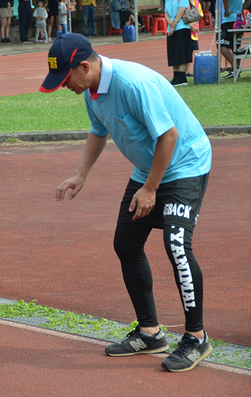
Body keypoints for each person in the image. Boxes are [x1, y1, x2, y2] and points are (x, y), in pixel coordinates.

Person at [41, 34, 212, 373]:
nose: (64, 86)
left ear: (85, 66)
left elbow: (169, 135)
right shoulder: (92, 91)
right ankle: (150, 332)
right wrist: (81, 174)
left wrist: (150, 189)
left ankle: (196, 337)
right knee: (126, 242)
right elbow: (98, 131)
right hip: (149, 169)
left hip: (184, 164)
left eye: (65, 79)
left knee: (176, 245)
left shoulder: (133, 83)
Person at [165, 0, 192, 86]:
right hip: (171, 28)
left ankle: (182, 77)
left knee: (182, 51)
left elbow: (182, 10)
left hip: (182, 27)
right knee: (173, 52)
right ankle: (176, 76)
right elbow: (166, 12)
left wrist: (174, 23)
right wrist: (170, 22)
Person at [218, 0, 243, 79]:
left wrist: (226, 11)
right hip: (239, 19)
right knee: (235, 46)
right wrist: (241, 10)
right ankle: (235, 70)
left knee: (221, 45)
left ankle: (235, 68)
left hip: (229, 20)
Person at [187, 0, 203, 76]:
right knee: (185, 51)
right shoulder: (184, 3)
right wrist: (190, 26)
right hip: (186, 31)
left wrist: (192, 25)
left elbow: (199, 16)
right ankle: (184, 71)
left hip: (193, 32)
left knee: (190, 51)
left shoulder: (197, 3)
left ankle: (186, 71)